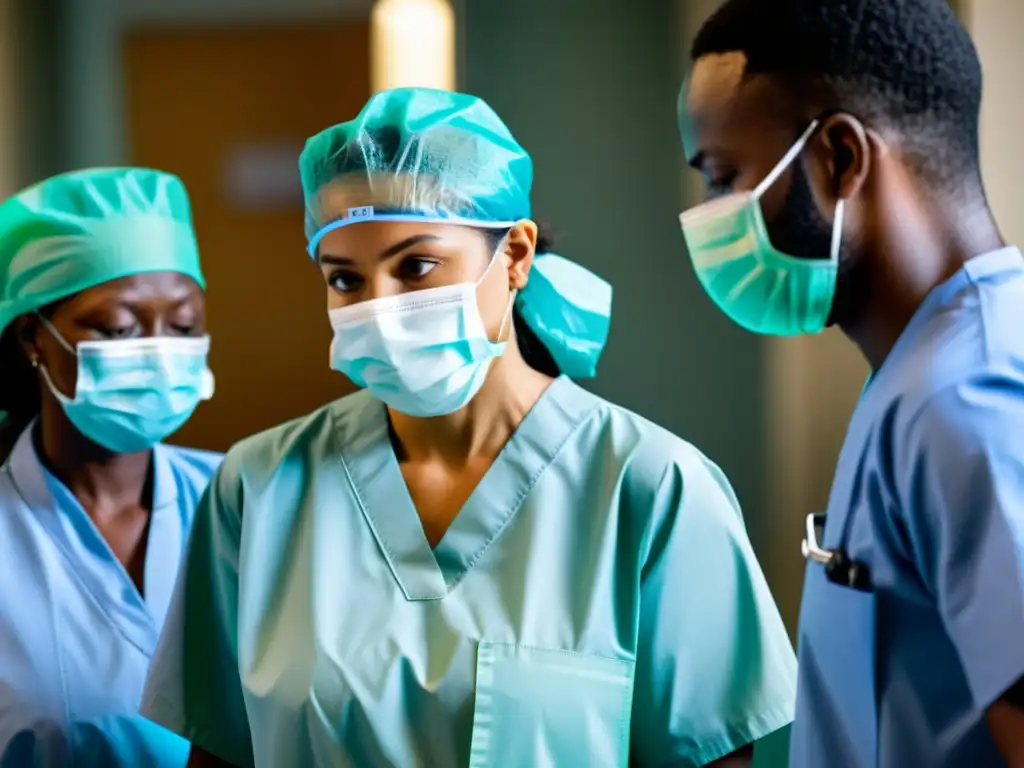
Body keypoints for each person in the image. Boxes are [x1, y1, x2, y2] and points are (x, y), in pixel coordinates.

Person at [140, 86, 797, 768]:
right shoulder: (260, 488)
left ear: (514, 255)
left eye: (415, 266)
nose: (379, 308)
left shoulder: (653, 489)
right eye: (345, 281)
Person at [676, 0, 1024, 766]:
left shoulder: (970, 395)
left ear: (839, 157)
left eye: (725, 178)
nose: (708, 218)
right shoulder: (918, 374)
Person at [0, 167, 221, 767]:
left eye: (183, 326)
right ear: (32, 337)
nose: (156, 350)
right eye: (119, 328)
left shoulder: (244, 497)